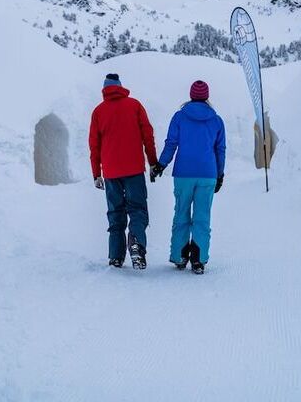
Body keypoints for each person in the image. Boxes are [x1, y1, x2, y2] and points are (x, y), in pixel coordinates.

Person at [150, 80, 225, 274]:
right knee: (202, 217)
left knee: (181, 213)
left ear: (191, 95)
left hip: (183, 174)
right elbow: (220, 150)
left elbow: (171, 143)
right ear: (207, 97)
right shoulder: (216, 120)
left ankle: (180, 256)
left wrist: (161, 164)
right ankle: (199, 260)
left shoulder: (179, 117)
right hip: (208, 174)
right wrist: (219, 174)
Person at [89, 73, 158, 269]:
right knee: (137, 209)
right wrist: (152, 162)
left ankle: (115, 256)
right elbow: (148, 134)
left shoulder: (98, 112)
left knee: (115, 212)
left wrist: (96, 173)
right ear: (120, 86)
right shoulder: (134, 105)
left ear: (104, 89)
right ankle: (136, 243)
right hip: (134, 169)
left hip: (111, 173)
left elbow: (94, 145)